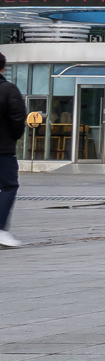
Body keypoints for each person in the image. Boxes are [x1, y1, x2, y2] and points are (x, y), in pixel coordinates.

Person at [0, 54, 23, 248]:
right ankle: (0, 230)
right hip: (2, 149)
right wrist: (12, 138)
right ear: (3, 68)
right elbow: (17, 119)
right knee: (8, 186)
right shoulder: (8, 89)